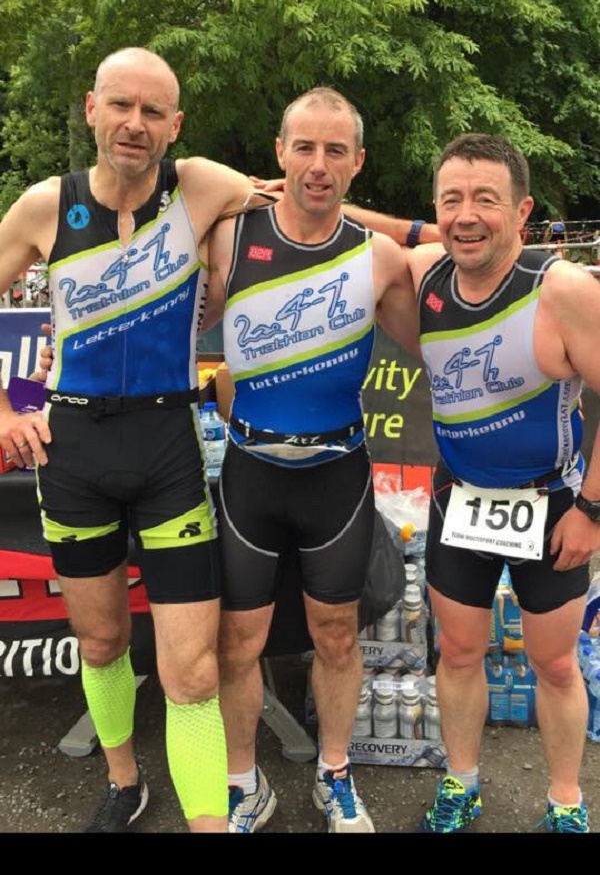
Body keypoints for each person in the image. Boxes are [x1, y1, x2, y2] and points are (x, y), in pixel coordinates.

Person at [0, 46, 273, 834]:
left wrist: (426, 233)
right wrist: (8, 415)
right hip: (74, 446)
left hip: (166, 445)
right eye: (121, 105)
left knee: (190, 670)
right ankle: (124, 783)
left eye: (153, 112)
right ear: (91, 108)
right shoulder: (45, 206)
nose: (135, 124)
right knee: (100, 638)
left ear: (175, 124)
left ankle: (207, 823)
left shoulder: (204, 186)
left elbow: (307, 209)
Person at [345, 132, 600, 834]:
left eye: (486, 199)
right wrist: (306, 190)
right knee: (457, 652)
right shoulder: (426, 275)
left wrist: (591, 511)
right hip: (459, 501)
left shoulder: (564, 290)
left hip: (551, 507)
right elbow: (392, 235)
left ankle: (566, 802)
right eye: (452, 199)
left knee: (552, 664)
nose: (467, 214)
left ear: (522, 212)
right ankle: (462, 784)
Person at [203, 86, 440, 833]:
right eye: (303, 147)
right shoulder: (228, 237)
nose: (318, 163)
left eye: (335, 150)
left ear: (357, 161)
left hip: (336, 473)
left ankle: (334, 776)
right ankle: (244, 784)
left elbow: (441, 348)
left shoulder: (378, 259)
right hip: (251, 473)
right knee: (238, 638)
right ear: (278, 154)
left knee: (337, 633)